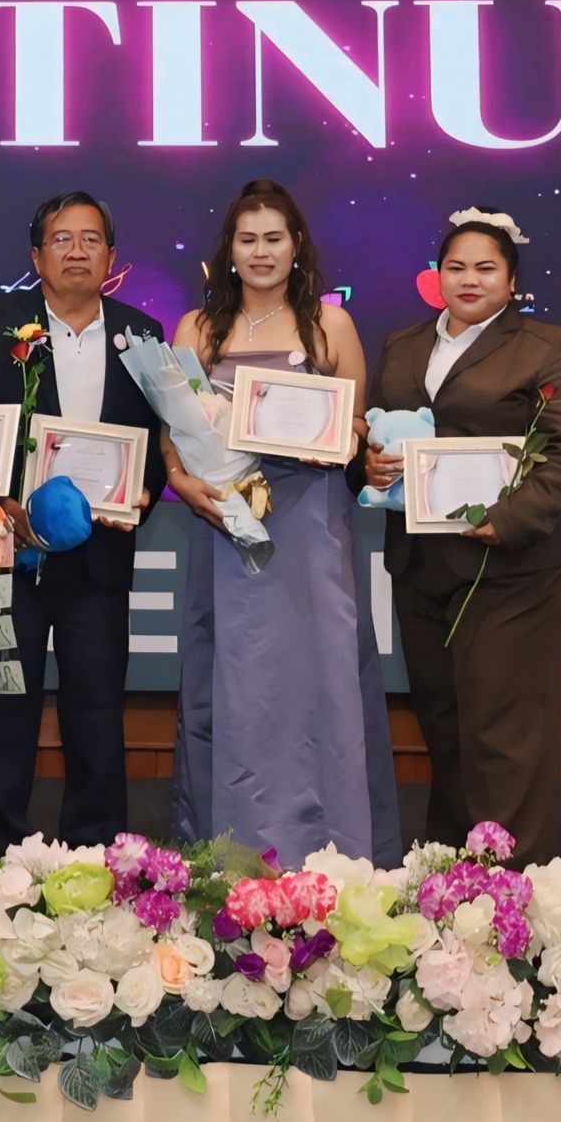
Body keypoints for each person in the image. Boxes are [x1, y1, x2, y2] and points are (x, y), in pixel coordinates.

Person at [158, 180, 397, 862]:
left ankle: (333, 849)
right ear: (229, 250)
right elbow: (176, 429)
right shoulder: (197, 328)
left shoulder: (330, 325)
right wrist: (180, 476)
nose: (261, 251)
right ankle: (231, 851)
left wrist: (333, 436)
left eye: (273, 238)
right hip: (227, 524)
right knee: (237, 681)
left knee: (320, 680)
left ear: (296, 246)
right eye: (248, 239)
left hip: (310, 524)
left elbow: (358, 423)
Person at [369, 209, 561, 860]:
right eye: (456, 267)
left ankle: (509, 881)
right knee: (443, 723)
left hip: (513, 565)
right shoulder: (403, 344)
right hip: (420, 562)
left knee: (505, 730)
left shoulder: (550, 345)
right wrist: (371, 465)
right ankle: (449, 874)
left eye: (486, 268)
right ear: (437, 276)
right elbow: (381, 431)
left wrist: (512, 517)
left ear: (512, 279)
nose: (469, 279)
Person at [0, 191, 165, 848]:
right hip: (5, 550)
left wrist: (142, 492)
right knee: (1, 705)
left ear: (111, 255)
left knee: (98, 711)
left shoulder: (143, 334)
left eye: (90, 239)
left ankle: (98, 853)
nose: (76, 250)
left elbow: (158, 438)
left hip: (101, 554)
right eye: (61, 238)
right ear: (36, 255)